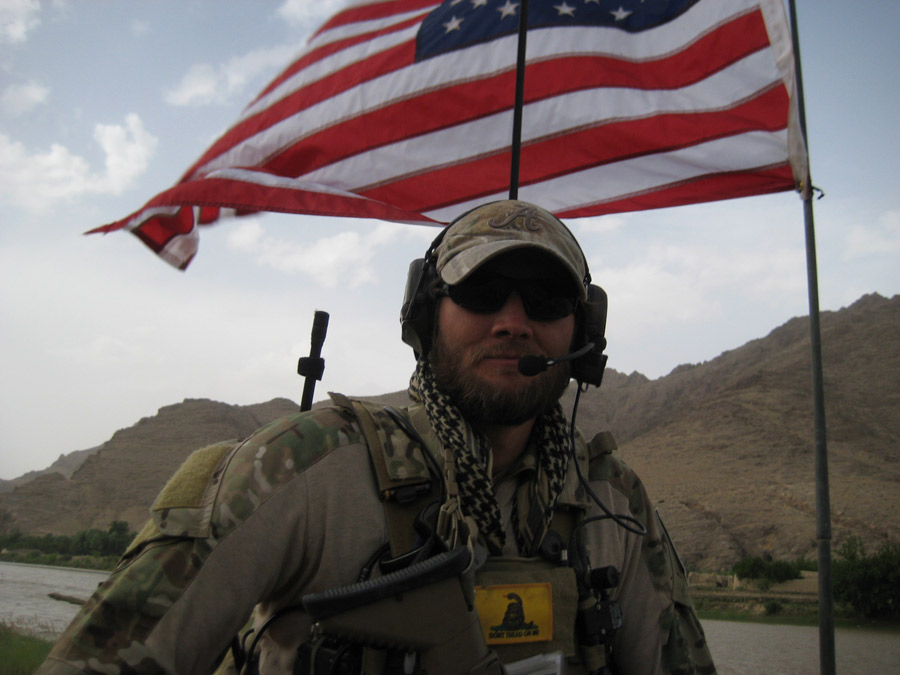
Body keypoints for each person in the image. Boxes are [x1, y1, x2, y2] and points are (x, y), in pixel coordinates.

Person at [38, 200, 715, 674]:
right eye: (482, 291)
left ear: (583, 337)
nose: (513, 321)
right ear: (426, 313)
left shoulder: (609, 500)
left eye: (546, 301)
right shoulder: (306, 467)